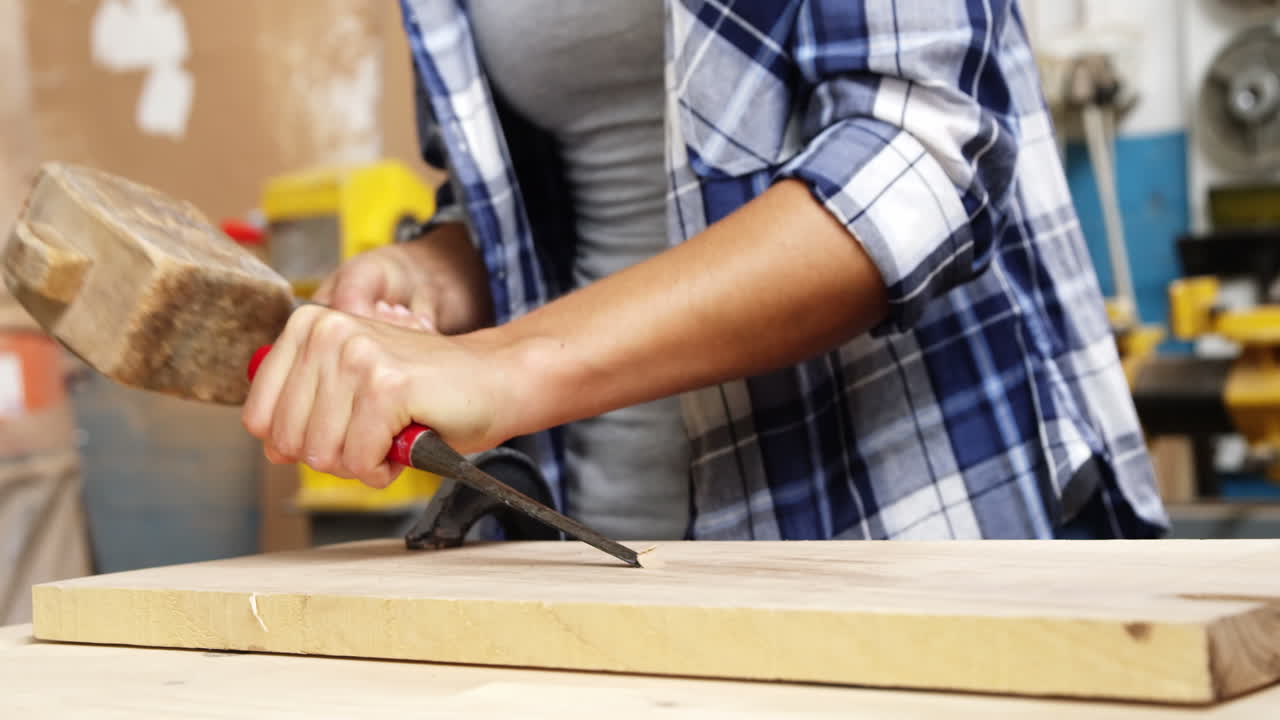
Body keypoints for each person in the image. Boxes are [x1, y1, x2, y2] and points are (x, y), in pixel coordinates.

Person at [242, 1, 1170, 542]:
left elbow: (920, 155)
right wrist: (434, 269)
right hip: (595, 534)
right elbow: (523, 189)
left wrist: (504, 365)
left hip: (901, 526)